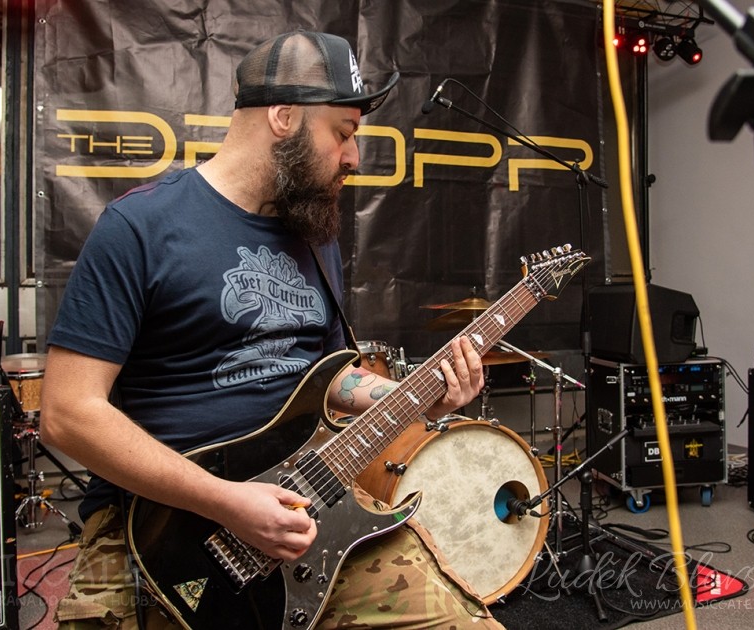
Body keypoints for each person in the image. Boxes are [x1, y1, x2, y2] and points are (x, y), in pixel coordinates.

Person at [40, 30, 504, 629]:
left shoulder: (312, 233)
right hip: (163, 523)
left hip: (305, 500)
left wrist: (415, 396)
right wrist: (226, 501)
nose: (354, 157)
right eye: (343, 132)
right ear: (283, 117)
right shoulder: (140, 227)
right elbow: (67, 413)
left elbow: (329, 378)